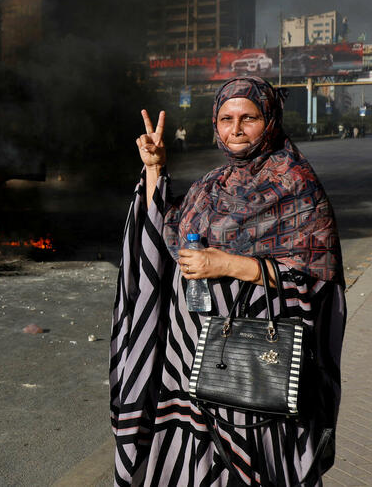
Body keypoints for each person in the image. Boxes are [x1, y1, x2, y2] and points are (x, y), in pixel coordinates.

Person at [110, 76, 346, 486]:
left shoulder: (296, 185)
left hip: (253, 367)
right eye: (226, 118)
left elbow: (314, 279)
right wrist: (154, 169)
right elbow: (162, 230)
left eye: (248, 117)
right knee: (192, 464)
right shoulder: (210, 184)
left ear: (269, 120)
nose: (235, 128)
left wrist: (229, 264)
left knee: (256, 464)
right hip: (190, 358)